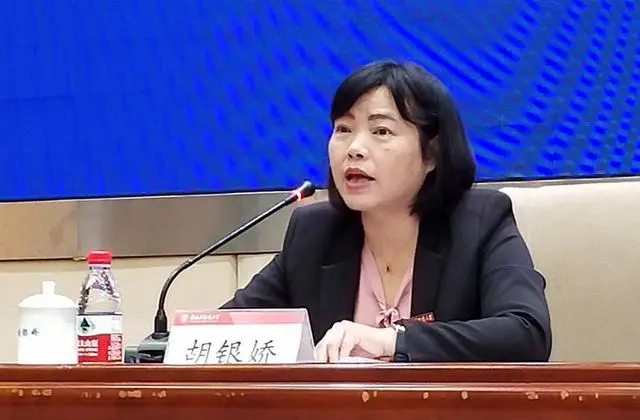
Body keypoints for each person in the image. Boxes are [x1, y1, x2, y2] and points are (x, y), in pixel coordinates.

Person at [222, 60, 552, 363]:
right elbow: (224, 333)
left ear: (432, 153)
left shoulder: (479, 223)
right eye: (343, 129)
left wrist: (392, 340)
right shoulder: (314, 234)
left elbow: (526, 333)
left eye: (381, 131)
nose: (354, 149)